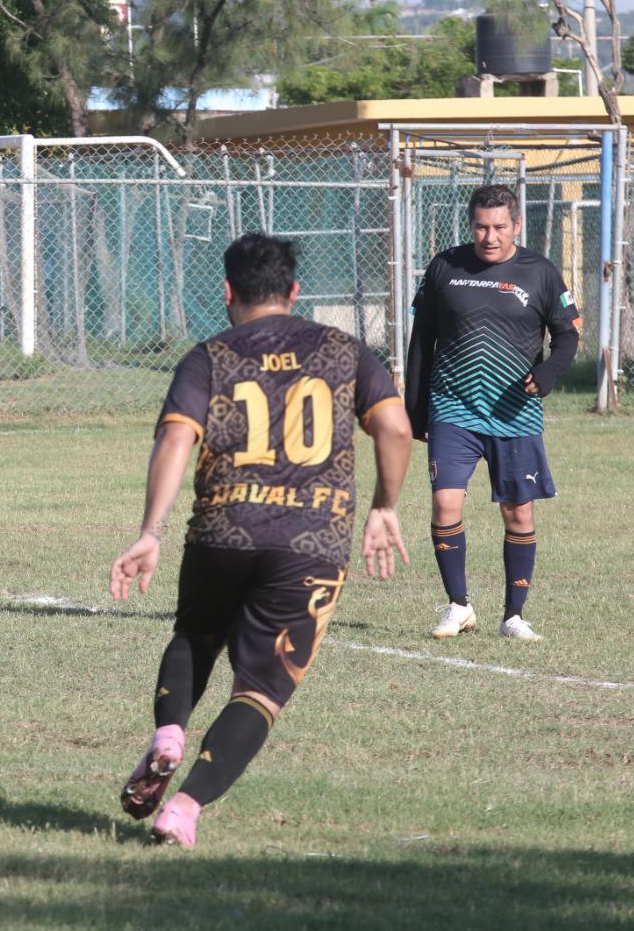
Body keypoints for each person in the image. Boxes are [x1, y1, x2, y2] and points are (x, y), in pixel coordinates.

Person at [109, 233, 413, 849]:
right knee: (262, 690)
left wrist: (150, 531)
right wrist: (384, 505)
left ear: (227, 291)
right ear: (294, 292)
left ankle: (169, 732)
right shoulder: (345, 350)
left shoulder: (209, 355)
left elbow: (175, 441)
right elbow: (397, 428)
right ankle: (184, 810)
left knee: (196, 636)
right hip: (311, 543)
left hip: (222, 530)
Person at [405, 183, 581, 642]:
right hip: (453, 406)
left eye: (499, 227)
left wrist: (547, 375)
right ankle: (459, 606)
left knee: (517, 513)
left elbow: (568, 337)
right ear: (471, 226)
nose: (490, 236)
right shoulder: (445, 267)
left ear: (516, 225)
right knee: (445, 502)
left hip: (514, 413)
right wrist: (415, 409)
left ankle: (514, 615)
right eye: (481, 227)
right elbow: (421, 340)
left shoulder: (540, 271)